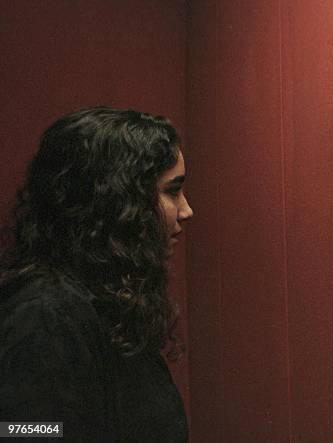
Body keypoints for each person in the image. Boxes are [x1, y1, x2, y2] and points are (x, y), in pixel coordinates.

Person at [0, 107, 193, 441]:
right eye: (172, 190)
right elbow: (26, 433)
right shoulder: (47, 315)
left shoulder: (108, 304)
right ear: (119, 202)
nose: (187, 210)